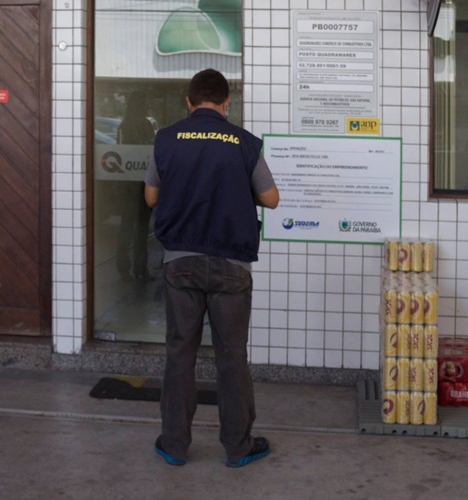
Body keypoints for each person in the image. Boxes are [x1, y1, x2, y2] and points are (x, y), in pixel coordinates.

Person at [144, 69, 279, 468]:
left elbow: (150, 198)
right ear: (226, 102)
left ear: (188, 101)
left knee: (179, 353)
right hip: (231, 265)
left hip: (180, 262)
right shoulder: (244, 143)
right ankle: (238, 447)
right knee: (231, 357)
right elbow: (271, 198)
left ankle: (174, 444)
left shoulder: (166, 139)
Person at [115, 90, 156, 281]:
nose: (148, 106)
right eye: (145, 102)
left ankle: (123, 268)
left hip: (127, 183)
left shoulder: (124, 125)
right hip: (142, 182)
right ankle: (141, 269)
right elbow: (150, 150)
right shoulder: (145, 124)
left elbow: (120, 151)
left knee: (126, 226)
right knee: (141, 227)